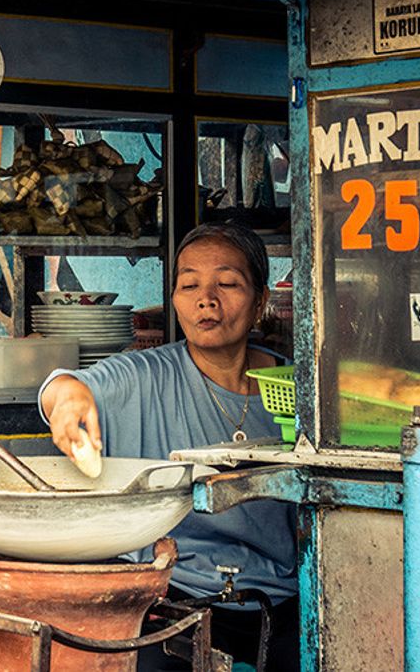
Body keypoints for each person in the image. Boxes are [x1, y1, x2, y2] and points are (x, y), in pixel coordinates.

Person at [38, 221, 299, 671]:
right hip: (175, 601)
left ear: (259, 302)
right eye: (189, 284)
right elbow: (64, 386)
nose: (207, 299)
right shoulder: (146, 376)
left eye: (228, 283)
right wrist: (67, 401)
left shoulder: (296, 387)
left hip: (281, 604)